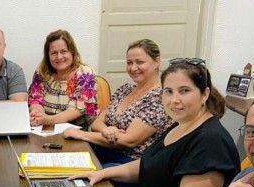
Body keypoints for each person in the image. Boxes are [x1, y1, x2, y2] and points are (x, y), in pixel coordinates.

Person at [70, 58, 239, 187]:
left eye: (184, 91)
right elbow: (149, 163)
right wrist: (102, 173)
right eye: (168, 91)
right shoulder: (180, 125)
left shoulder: (210, 140)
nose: (174, 100)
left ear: (204, 94)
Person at [62, 39, 173, 174]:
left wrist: (82, 134)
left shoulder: (160, 98)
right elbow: (96, 123)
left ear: (157, 61)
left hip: (134, 163)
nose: (133, 68)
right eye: (129, 63)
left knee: (83, 174)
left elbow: (129, 140)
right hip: (107, 149)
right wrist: (109, 130)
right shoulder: (125, 90)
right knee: (67, 155)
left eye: (140, 62)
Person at [28, 30, 98, 129]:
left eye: (63, 51)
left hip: (82, 132)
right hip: (48, 129)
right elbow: (35, 100)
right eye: (54, 53)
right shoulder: (41, 73)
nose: (59, 57)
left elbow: (78, 109)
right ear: (48, 56)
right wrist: (37, 115)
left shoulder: (85, 73)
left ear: (72, 52)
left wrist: (48, 119)